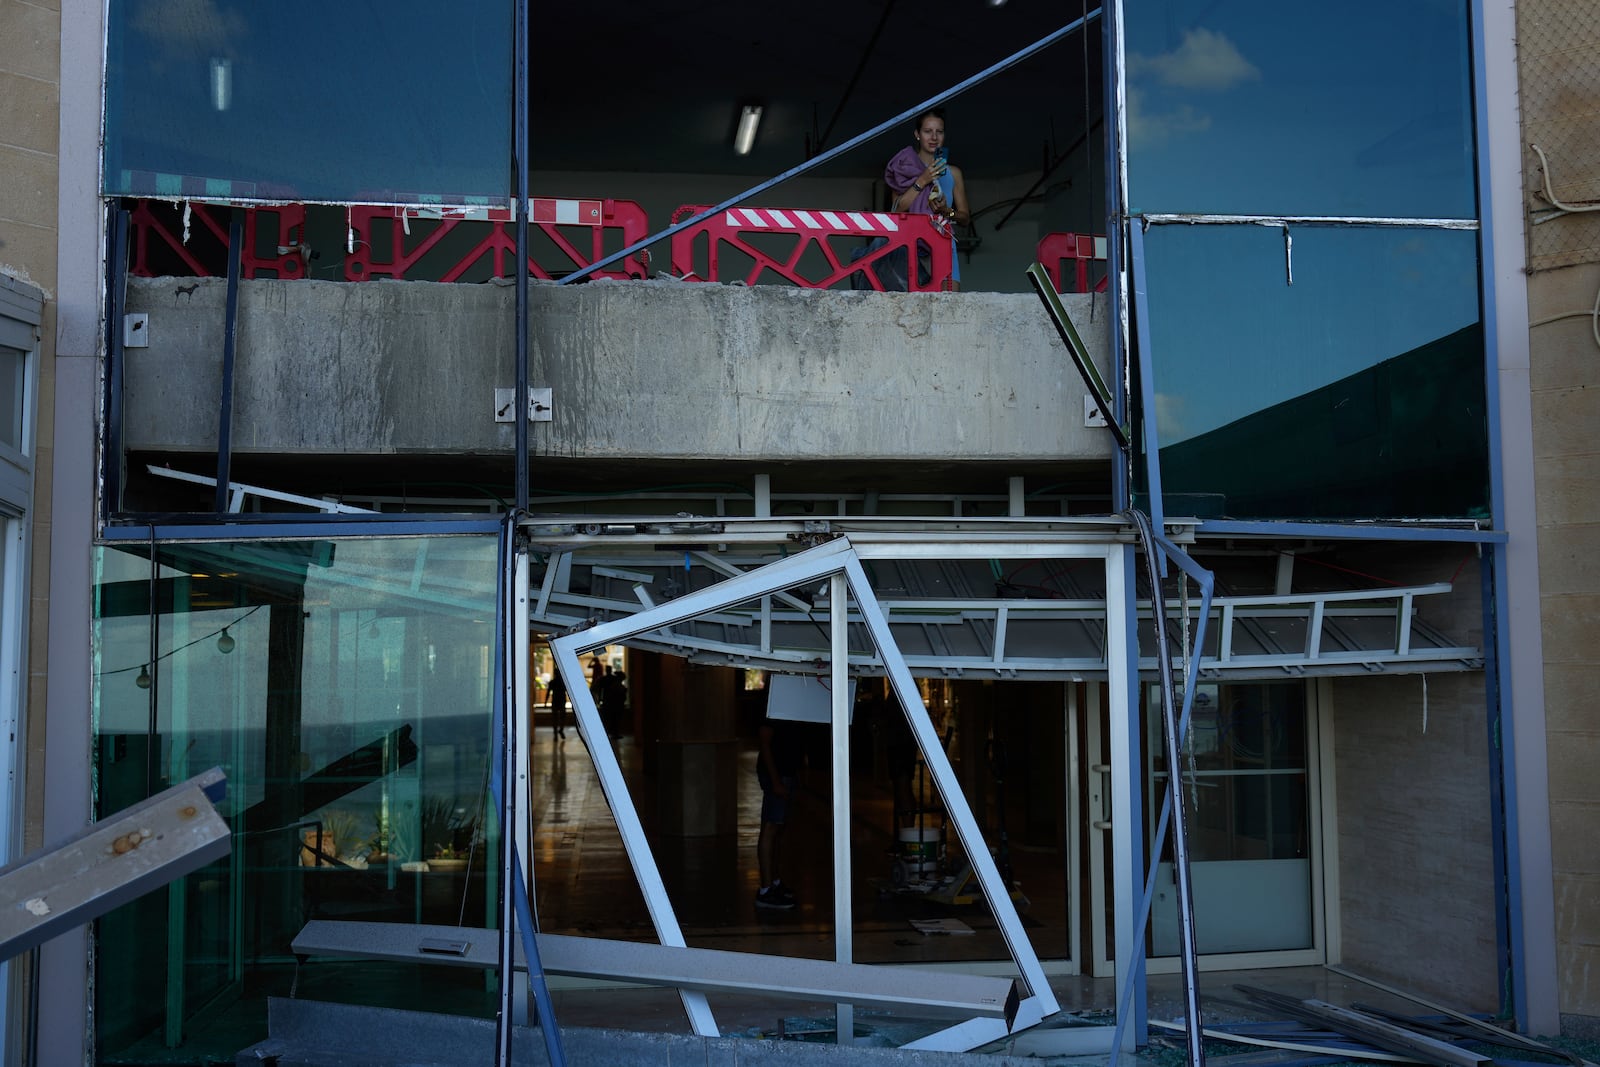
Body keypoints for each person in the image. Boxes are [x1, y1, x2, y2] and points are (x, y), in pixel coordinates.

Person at [884, 108, 970, 291]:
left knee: (948, 309)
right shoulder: (904, 168)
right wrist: (922, 180)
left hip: (944, 245)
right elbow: (896, 210)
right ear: (917, 134)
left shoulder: (954, 173)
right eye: (927, 131)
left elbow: (964, 217)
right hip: (911, 247)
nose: (934, 137)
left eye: (939, 132)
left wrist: (947, 211)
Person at [755, 711, 804, 910]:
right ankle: (766, 889)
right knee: (771, 827)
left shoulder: (788, 701)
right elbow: (764, 741)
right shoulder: (773, 702)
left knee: (778, 828)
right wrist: (775, 780)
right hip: (777, 773)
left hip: (785, 772)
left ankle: (773, 882)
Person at [548, 667, 568, 739]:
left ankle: (556, 733)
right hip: (561, 701)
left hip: (556, 701)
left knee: (555, 718)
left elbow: (548, 692)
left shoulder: (552, 682)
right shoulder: (563, 682)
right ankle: (560, 730)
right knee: (562, 717)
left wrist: (545, 702)